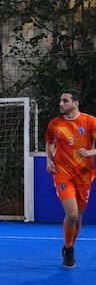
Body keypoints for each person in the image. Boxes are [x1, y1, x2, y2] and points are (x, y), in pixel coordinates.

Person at [45, 89, 96, 268]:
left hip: (84, 175)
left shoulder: (90, 122)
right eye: (60, 100)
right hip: (63, 174)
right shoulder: (55, 123)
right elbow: (50, 142)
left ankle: (69, 246)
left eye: (65, 101)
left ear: (76, 103)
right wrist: (49, 160)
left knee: (79, 217)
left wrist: (90, 152)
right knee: (72, 214)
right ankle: (69, 249)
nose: (61, 104)